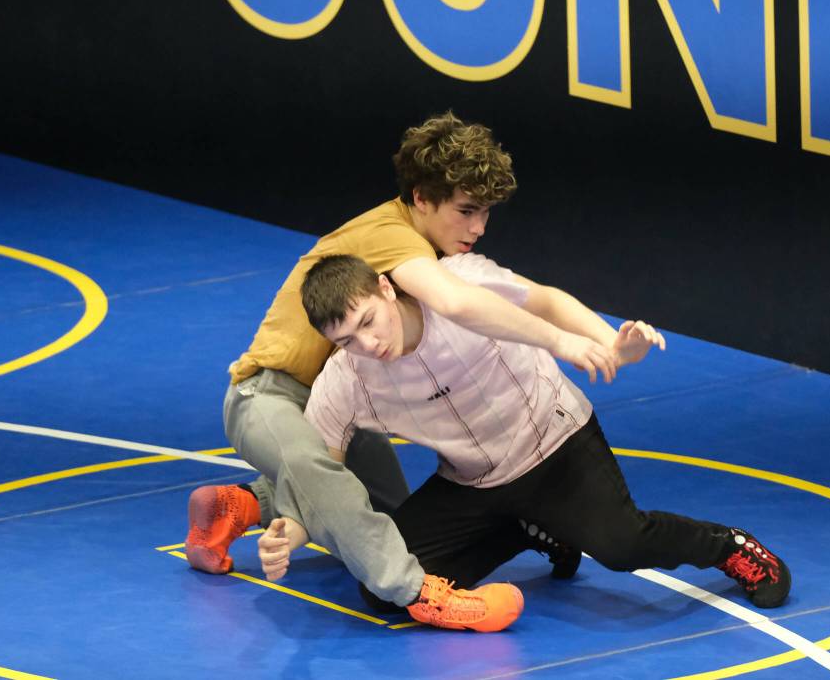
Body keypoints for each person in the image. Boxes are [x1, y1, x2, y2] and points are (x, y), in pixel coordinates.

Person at [184, 112, 617, 632]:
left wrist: (612, 341)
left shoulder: (425, 244)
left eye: (485, 213)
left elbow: (533, 295)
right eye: (466, 211)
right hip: (270, 396)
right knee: (333, 490)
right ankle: (421, 595)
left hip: (337, 401)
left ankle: (240, 505)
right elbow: (456, 303)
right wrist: (562, 343)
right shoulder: (392, 236)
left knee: (393, 521)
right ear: (421, 199)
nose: (478, 228)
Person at [257, 253, 792, 613]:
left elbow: (545, 300)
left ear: (385, 287)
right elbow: (319, 472)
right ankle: (531, 530)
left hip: (555, 445)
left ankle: (728, 547)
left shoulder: (459, 283)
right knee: (384, 589)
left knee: (624, 545)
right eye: (347, 340)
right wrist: (293, 532)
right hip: (471, 483)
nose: (368, 344)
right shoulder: (347, 380)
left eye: (369, 321)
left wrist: (611, 344)